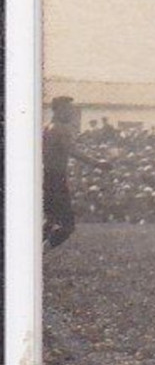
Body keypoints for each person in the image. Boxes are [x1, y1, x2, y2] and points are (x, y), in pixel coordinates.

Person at [42, 96, 111, 250]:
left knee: (51, 220)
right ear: (59, 109)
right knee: (67, 226)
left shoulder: (47, 127)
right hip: (56, 179)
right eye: (68, 109)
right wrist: (98, 163)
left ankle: (26, 253)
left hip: (46, 177)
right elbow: (72, 151)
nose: (72, 113)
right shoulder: (61, 129)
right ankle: (37, 255)